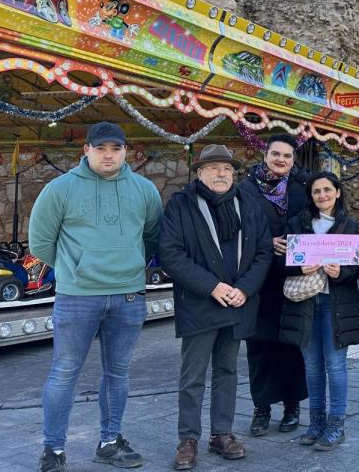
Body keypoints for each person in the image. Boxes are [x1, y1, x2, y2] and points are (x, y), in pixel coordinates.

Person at [28, 122, 163, 472]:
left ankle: (109, 441)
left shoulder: (145, 190)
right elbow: (41, 242)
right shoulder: (60, 189)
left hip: (128, 296)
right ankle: (53, 450)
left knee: (118, 373)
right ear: (86, 150)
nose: (108, 155)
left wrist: (129, 267)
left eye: (115, 148)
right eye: (100, 148)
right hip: (77, 298)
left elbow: (152, 237)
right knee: (64, 372)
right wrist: (76, 269)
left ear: (125, 151)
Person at [160, 145, 273, 470]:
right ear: (199, 173)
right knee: (192, 375)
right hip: (200, 303)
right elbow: (171, 253)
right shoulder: (181, 205)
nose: (221, 174)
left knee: (227, 371)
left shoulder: (248, 204)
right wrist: (212, 286)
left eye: (226, 168)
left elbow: (264, 251)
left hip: (237, 302)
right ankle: (188, 439)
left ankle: (221, 434)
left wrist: (245, 289)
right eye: (213, 168)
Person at [280, 171, 359, 450]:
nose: (322, 195)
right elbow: (281, 263)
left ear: (337, 192)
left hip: (336, 304)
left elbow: (357, 268)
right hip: (305, 302)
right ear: (311, 196)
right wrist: (296, 267)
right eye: (317, 191)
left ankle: (336, 425)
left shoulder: (350, 225)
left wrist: (341, 272)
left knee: (336, 365)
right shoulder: (296, 223)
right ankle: (316, 424)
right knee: (312, 366)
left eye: (327, 190)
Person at [239, 134, 309, 436]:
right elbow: (234, 229)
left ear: (293, 160)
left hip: (293, 277)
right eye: (276, 154)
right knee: (259, 345)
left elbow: (321, 218)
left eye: (287, 156)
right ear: (265, 155)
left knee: (291, 344)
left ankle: (292, 406)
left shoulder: (299, 190)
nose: (281, 160)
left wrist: (350, 229)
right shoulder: (244, 189)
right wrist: (266, 242)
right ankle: (262, 408)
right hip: (257, 278)